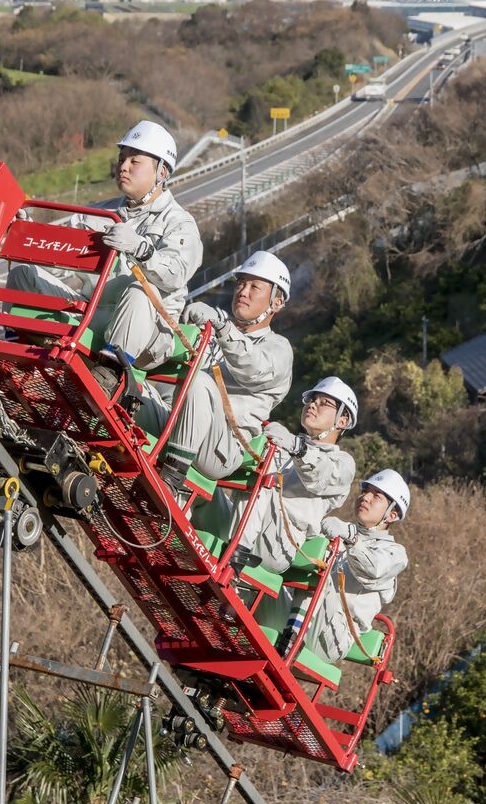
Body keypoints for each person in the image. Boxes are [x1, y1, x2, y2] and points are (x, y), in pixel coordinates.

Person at [6, 120, 202, 368]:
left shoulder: (179, 223)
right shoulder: (96, 214)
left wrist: (142, 250)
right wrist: (30, 235)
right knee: (24, 274)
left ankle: (109, 373)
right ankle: (15, 350)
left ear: (161, 172)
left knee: (140, 291)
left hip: (149, 331)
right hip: (93, 313)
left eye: (134, 161)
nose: (123, 166)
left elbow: (176, 276)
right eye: (122, 159)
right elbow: (58, 263)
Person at [140, 250, 294, 491]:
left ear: (276, 302)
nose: (243, 291)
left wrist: (222, 329)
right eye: (241, 284)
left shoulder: (279, 348)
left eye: (255, 287)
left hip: (220, 448)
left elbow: (253, 368)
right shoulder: (214, 331)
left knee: (199, 381)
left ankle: (171, 478)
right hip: (174, 420)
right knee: (132, 389)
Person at [234, 376, 358, 574]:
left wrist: (296, 447)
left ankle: (235, 561)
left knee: (265, 482)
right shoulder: (285, 445)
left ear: (342, 421)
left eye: (324, 403)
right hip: (244, 524)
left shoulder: (343, 463)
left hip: (280, 544)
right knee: (207, 499)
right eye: (311, 400)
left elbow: (319, 476)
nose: (313, 405)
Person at [301, 470, 411, 663]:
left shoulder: (395, 554)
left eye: (376, 496)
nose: (365, 497)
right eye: (365, 491)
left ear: (392, 515)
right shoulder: (340, 530)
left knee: (319, 581)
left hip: (332, 638)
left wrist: (351, 539)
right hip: (304, 617)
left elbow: (372, 569)